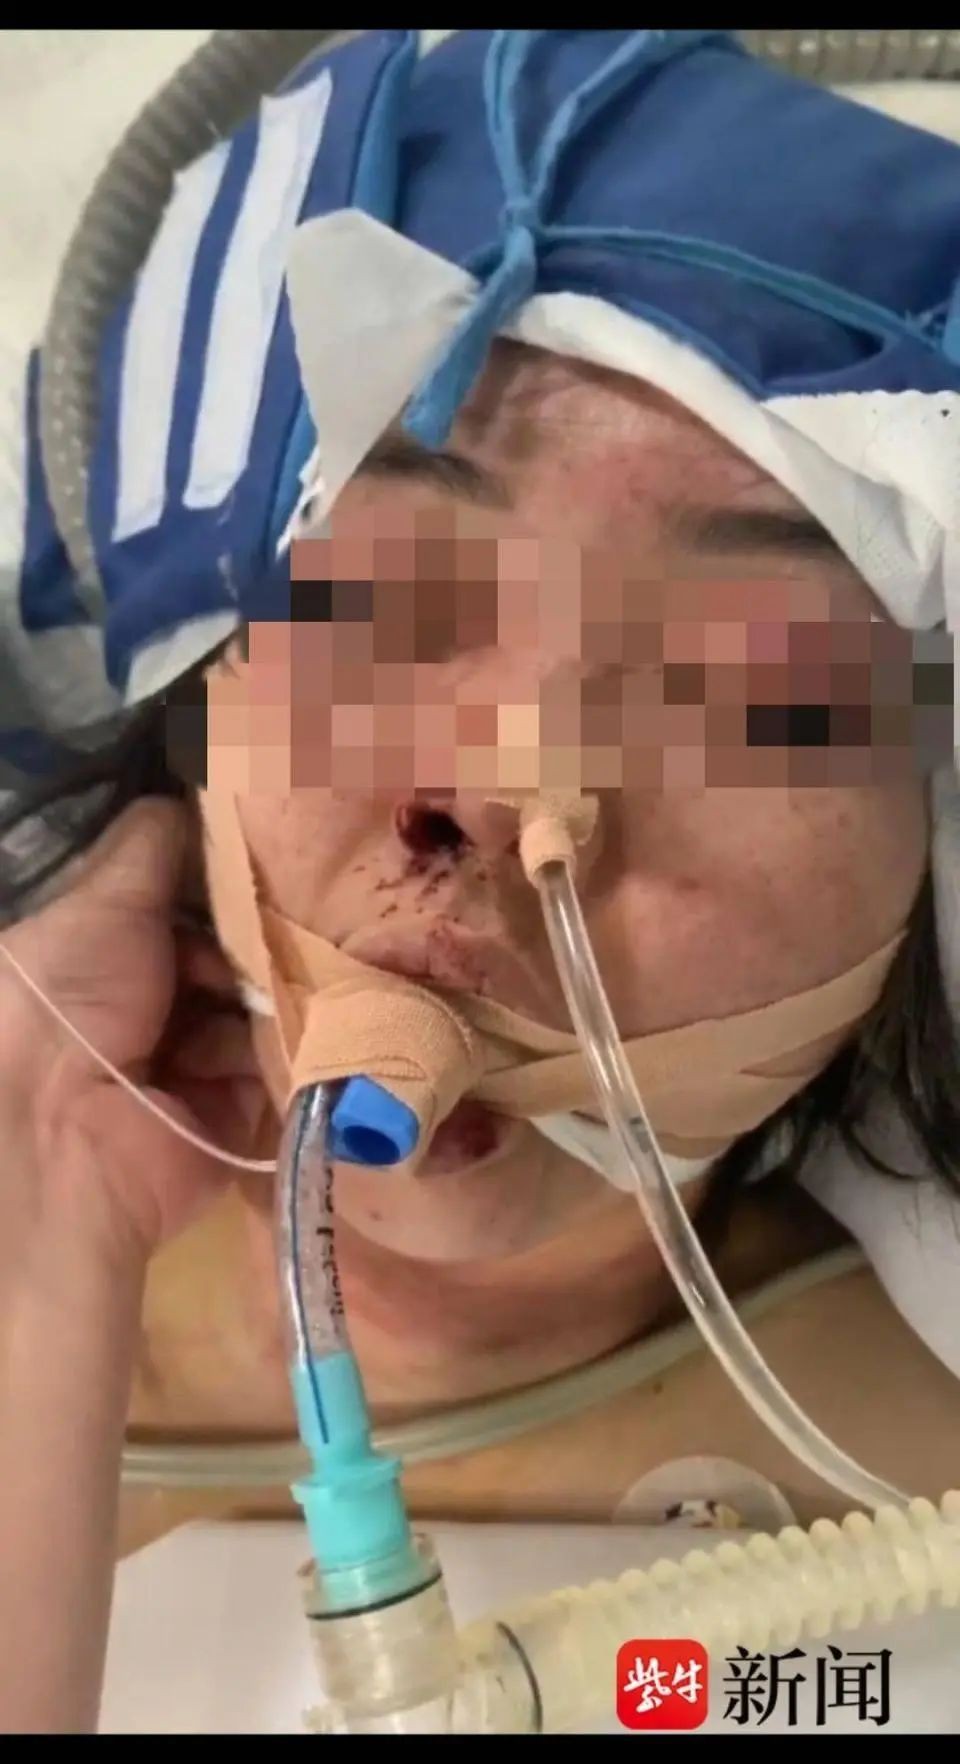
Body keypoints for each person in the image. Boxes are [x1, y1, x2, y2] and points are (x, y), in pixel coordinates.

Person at [2, 27, 960, 1735]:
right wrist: (35, 1245)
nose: (502, 790)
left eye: (750, 694)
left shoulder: (917, 1518)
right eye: (386, 603)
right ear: (203, 687)